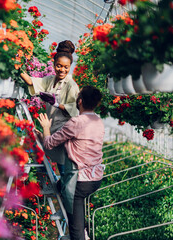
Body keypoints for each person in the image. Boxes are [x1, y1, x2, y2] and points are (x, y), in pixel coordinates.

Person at [37, 86, 105, 240]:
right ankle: (80, 226)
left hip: (78, 182)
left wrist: (46, 128)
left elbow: (49, 144)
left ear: (79, 101)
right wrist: (45, 136)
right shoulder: (98, 121)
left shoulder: (76, 122)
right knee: (61, 186)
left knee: (76, 230)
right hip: (95, 179)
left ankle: (81, 235)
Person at [20, 40, 79, 177]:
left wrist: (57, 104)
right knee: (60, 166)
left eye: (66, 67)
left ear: (70, 67)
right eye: (59, 66)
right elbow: (30, 81)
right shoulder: (50, 80)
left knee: (66, 170)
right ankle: (55, 187)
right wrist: (16, 66)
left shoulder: (71, 85)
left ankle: (68, 195)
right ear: (54, 65)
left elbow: (75, 111)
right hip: (52, 130)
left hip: (65, 133)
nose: (62, 70)